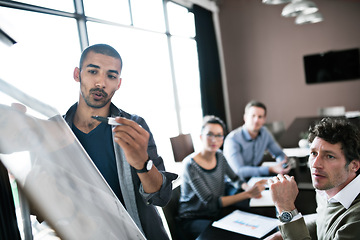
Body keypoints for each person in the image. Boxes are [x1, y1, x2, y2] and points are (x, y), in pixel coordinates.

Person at [63, 43, 177, 240]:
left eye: (111, 76)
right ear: (77, 74)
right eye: (92, 71)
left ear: (119, 83)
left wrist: (142, 163)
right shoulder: (56, 131)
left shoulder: (134, 126)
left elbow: (161, 197)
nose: (101, 83)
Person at [266, 117, 360, 240]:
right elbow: (322, 224)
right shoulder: (326, 189)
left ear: (354, 166)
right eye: (313, 153)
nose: (315, 164)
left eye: (329, 156)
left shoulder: (356, 219)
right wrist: (283, 235)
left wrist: (286, 209)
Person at [178, 115, 267, 240]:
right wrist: (248, 194)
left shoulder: (220, 156)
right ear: (201, 137)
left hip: (216, 213)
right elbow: (211, 202)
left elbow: (235, 179)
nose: (214, 139)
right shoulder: (190, 164)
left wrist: (248, 187)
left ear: (222, 139)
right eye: (210, 134)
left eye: (219, 135)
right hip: (194, 219)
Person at [223, 100, 290, 180]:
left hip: (256, 178)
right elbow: (239, 171)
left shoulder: (265, 132)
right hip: (237, 184)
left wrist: (282, 165)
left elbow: (279, 153)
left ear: (264, 119)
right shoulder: (232, 139)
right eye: (253, 116)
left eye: (260, 117)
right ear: (245, 117)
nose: (256, 120)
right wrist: (270, 169)